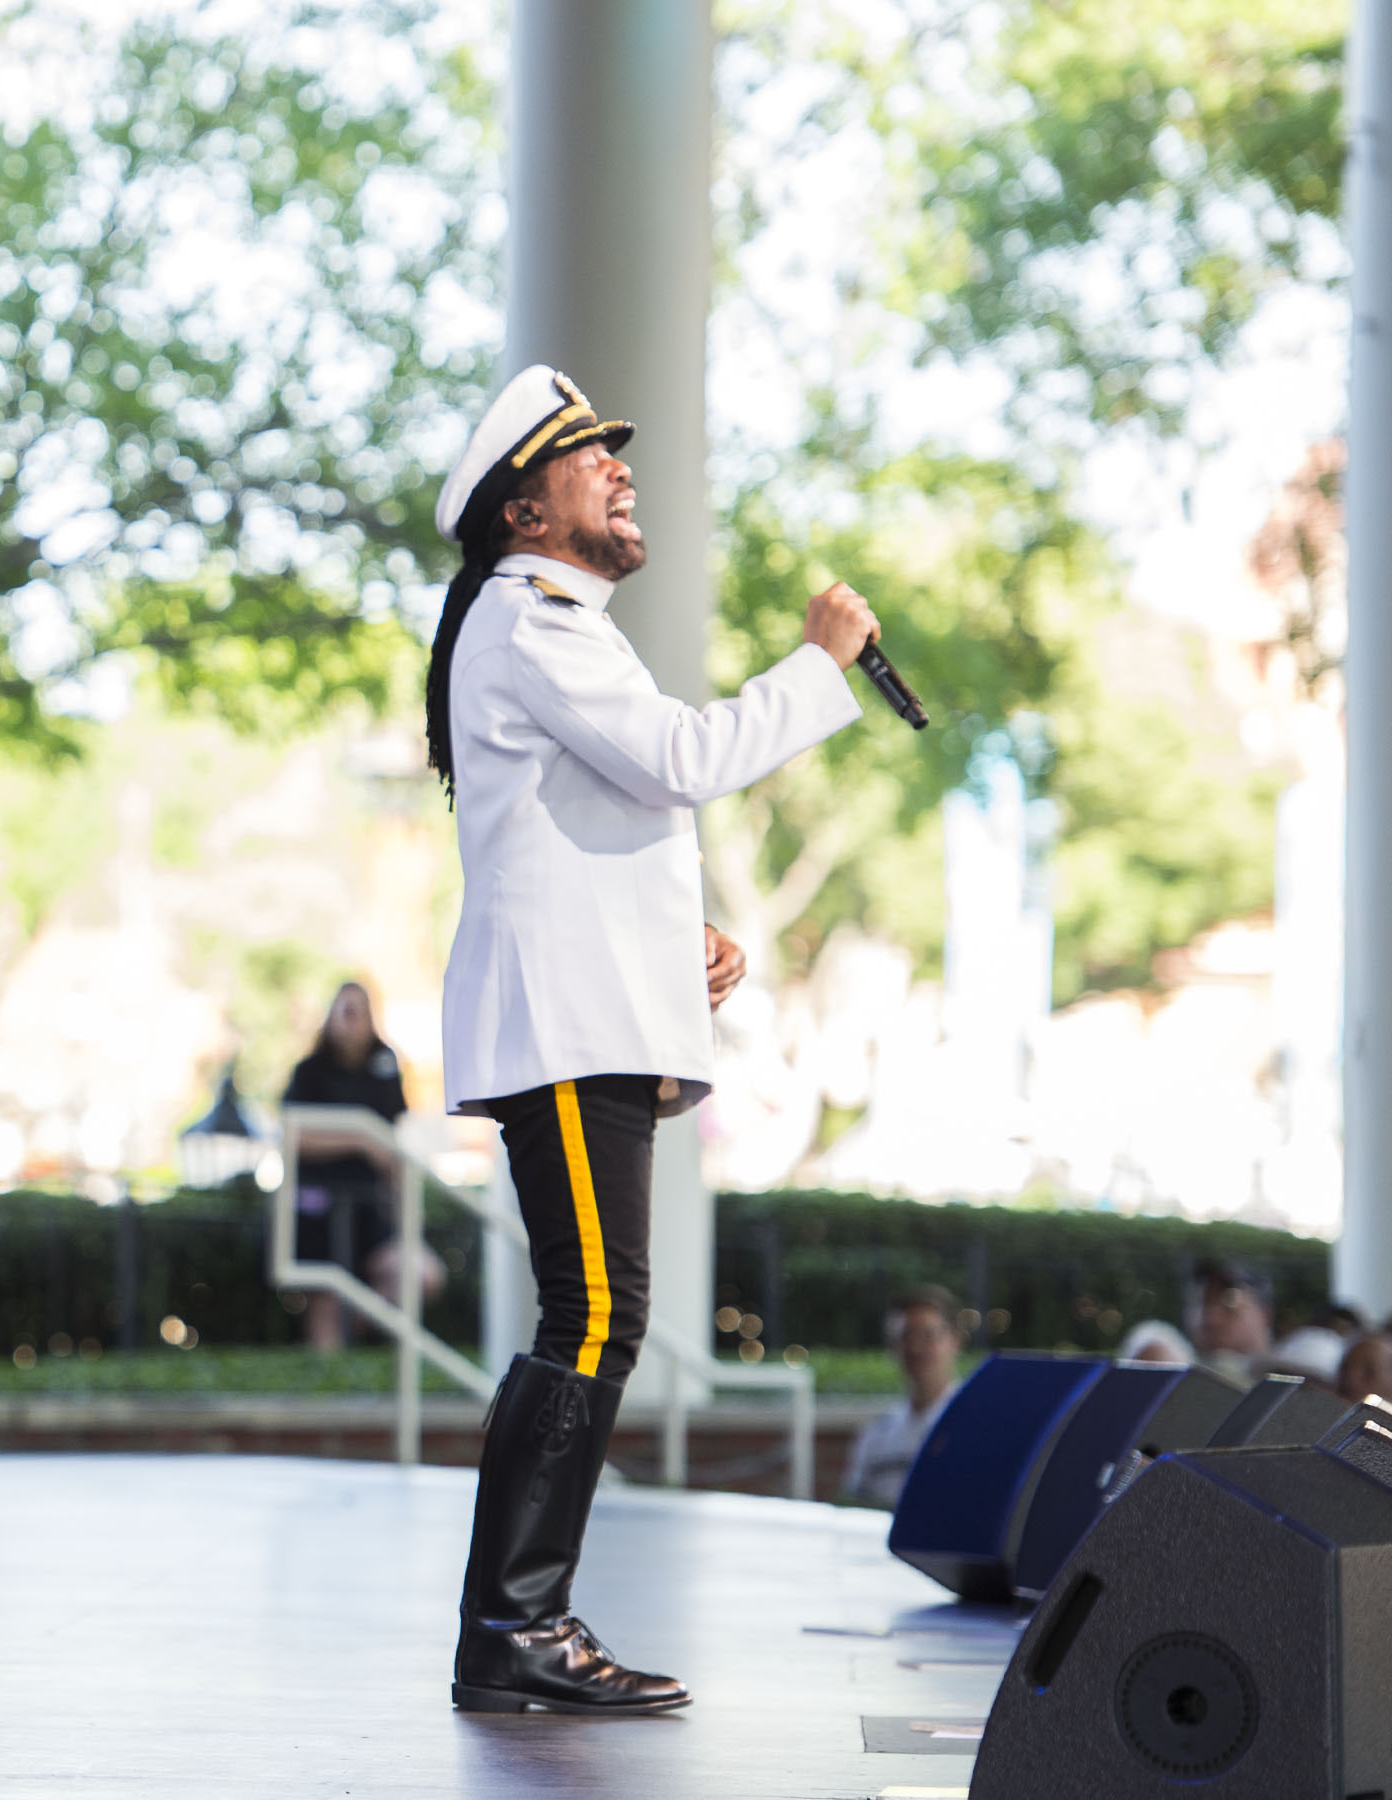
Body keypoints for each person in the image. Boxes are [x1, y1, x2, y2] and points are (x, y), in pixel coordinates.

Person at [430, 364, 874, 1717]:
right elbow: (683, 757)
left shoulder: (549, 622)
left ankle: (521, 1626)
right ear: (523, 510)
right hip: (564, 1033)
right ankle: (514, 1626)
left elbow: (587, 822)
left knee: (599, 1315)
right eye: (589, 457)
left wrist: (679, 941)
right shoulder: (530, 615)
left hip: (591, 1017)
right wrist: (822, 663)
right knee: (598, 1314)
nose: (622, 470)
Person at [283, 981, 415, 1351]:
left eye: (358, 1012)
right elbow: (293, 1134)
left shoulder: (384, 1067)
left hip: (369, 1211)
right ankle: (329, 1383)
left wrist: (397, 1191)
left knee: (415, 1274)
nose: (350, 1020)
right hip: (318, 1211)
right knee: (325, 1295)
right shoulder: (310, 1071)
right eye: (344, 1010)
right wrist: (358, 1138)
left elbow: (395, 1138)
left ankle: (351, 1337)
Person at [841, 1286, 967, 1509]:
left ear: (955, 1341)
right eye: (905, 1336)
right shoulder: (875, 1436)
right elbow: (855, 1508)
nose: (915, 1348)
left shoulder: (975, 1427)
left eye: (928, 1336)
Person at [1189, 1258, 1276, 1383]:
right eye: (1206, 1305)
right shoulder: (1185, 1366)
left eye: (1229, 1305)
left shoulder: (1300, 1370)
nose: (1212, 1319)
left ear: (1265, 1314)